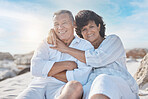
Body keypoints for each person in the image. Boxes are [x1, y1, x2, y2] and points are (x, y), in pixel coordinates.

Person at [48, 10, 139, 99]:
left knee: (102, 80)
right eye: (84, 29)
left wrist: (66, 49)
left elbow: (98, 59)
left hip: (120, 87)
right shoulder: (80, 49)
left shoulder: (113, 40)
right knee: (74, 89)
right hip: (92, 87)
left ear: (99, 27)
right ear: (81, 33)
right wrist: (52, 32)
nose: (88, 32)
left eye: (91, 26)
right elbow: (74, 75)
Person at [16, 10, 94, 99]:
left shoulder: (85, 46)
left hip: (61, 88)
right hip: (38, 86)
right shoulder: (46, 42)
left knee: (75, 86)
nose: (60, 27)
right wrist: (67, 65)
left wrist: (47, 72)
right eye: (56, 24)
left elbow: (81, 78)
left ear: (74, 24)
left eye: (64, 23)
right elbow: (35, 69)